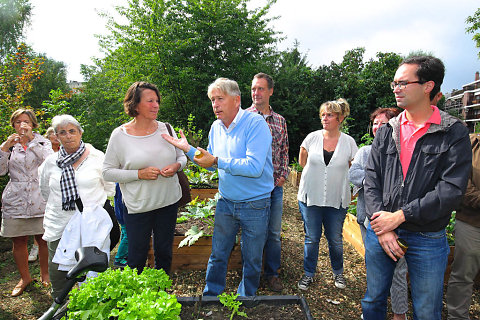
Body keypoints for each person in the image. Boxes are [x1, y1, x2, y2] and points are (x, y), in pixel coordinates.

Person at [362, 56, 471, 320]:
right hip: (382, 232)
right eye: (394, 83)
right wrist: (382, 225)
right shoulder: (389, 129)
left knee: (426, 309)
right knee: (373, 300)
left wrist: (400, 216)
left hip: (427, 237)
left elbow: (451, 190)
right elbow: (372, 177)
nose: (396, 88)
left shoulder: (453, 132)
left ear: (427, 86)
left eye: (403, 83)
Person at [162, 77, 274, 297]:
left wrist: (215, 161)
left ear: (236, 100)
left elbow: (254, 167)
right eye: (213, 100)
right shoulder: (216, 127)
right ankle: (211, 296)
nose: (215, 105)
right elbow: (211, 164)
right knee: (218, 253)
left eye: (220, 99)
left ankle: (246, 297)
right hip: (226, 201)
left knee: (251, 257)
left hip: (255, 204)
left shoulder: (255, 124)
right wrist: (188, 149)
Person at [103, 81, 187, 274]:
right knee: (137, 256)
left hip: (168, 201)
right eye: (150, 101)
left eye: (157, 101)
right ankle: (138, 297)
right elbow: (107, 172)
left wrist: (176, 166)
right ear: (135, 105)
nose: (156, 105)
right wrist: (139, 174)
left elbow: (181, 157)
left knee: (164, 252)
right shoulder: (120, 135)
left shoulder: (166, 128)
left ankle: (162, 293)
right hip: (138, 206)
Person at [39, 114, 115, 299]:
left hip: (91, 223)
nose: (68, 136)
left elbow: (110, 188)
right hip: (60, 222)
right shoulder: (50, 162)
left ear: (80, 133)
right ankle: (60, 305)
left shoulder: (97, 157)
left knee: (94, 268)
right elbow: (45, 191)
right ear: (56, 136)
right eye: (62, 132)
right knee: (58, 269)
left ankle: (93, 306)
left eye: (72, 131)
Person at [349, 107, 408, 320]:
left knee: (399, 270)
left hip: (397, 223)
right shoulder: (365, 151)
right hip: (369, 222)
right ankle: (373, 312)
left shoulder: (402, 152)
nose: (377, 127)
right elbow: (353, 173)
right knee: (375, 271)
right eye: (374, 123)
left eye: (382, 123)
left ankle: (399, 313)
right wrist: (372, 181)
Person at [296, 98, 358, 291]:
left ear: (340, 118)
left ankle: (338, 272)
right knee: (312, 238)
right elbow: (302, 162)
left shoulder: (349, 143)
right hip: (310, 197)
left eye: (329, 115)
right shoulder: (311, 138)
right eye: (323, 114)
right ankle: (308, 274)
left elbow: (353, 169)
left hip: (336, 199)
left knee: (335, 238)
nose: (325, 118)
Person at [0, 109, 52, 296]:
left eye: (26, 122)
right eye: (18, 122)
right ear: (13, 124)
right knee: (19, 240)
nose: (22, 125)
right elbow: (1, 171)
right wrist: (4, 148)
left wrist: (31, 142)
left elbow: (48, 163)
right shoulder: (9, 145)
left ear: (33, 124)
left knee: (43, 239)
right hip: (16, 199)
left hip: (40, 197)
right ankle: (25, 278)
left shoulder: (42, 142)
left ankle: (46, 275)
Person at [246, 72, 289, 292]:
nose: (256, 93)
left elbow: (284, 152)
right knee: (252, 232)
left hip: (273, 188)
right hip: (251, 189)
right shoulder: (242, 117)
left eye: (261, 88)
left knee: (273, 233)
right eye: (253, 88)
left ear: (270, 91)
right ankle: (249, 274)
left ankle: (272, 273)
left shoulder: (280, 121)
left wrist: (282, 176)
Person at [446, 133, 480, 319]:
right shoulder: (469, 143)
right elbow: (460, 181)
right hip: (472, 221)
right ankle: (457, 316)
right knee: (463, 275)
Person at [28, 127, 60, 263]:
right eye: (52, 133)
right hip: (41, 187)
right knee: (41, 223)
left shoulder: (67, 149)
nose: (56, 136)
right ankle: (36, 247)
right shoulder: (44, 150)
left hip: (58, 189)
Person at [113, 183, 128, 268]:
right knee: (128, 236)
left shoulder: (117, 182)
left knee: (124, 233)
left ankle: (124, 254)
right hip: (123, 214)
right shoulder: (120, 185)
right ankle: (119, 258)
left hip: (120, 213)